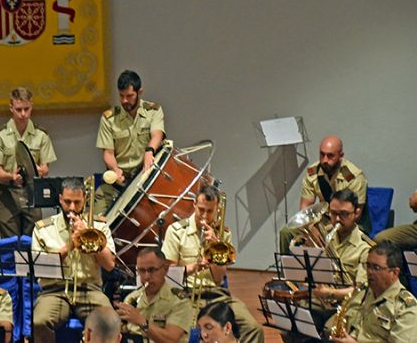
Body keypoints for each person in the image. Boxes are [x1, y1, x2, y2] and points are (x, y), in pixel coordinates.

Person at [161, 186, 264, 343]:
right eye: (201, 210)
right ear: (194, 205)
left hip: (216, 295)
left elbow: (218, 278)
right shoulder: (176, 231)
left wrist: (216, 247)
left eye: (210, 211)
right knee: (188, 335)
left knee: (253, 328)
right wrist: (194, 267)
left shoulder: (224, 235)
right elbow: (169, 275)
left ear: (217, 209)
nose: (204, 216)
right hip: (187, 295)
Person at [31, 177, 116, 343]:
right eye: (67, 202)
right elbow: (40, 269)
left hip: (89, 289)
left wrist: (88, 234)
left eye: (77, 202)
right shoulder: (43, 228)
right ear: (60, 199)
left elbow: (109, 265)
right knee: (39, 322)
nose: (72, 208)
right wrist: (70, 244)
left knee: (110, 321)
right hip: (54, 290)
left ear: (85, 199)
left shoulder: (99, 226)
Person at [0, 87, 57, 238]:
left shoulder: (41, 135)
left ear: (31, 105)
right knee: (9, 243)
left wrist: (38, 170)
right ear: (11, 107)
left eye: (26, 109)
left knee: (33, 241)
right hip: (8, 194)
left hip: (32, 192)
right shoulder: (0, 135)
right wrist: (11, 176)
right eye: (19, 109)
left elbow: (46, 168)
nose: (23, 114)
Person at [279, 136, 369, 254]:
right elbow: (305, 209)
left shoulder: (353, 176)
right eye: (322, 154)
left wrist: (324, 231)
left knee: (330, 239)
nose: (325, 160)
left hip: (347, 221)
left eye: (330, 156)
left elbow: (355, 216)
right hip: (325, 219)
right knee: (286, 232)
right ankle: (288, 271)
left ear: (341, 155)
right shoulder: (313, 173)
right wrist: (311, 228)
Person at [94, 70, 165, 215]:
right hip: (118, 182)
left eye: (130, 96)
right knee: (98, 220)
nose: (125, 100)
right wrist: (115, 169)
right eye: (121, 96)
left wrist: (149, 151)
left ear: (140, 92)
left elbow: (157, 135)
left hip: (145, 178)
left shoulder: (153, 111)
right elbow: (108, 153)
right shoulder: (109, 118)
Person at [325, 241, 417, 342]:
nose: (369, 272)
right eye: (368, 266)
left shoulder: (405, 307)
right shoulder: (361, 291)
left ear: (394, 273)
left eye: (376, 268)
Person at [115, 247, 192, 343]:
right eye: (142, 271)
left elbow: (171, 339)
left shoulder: (179, 301)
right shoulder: (131, 298)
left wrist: (142, 322)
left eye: (152, 270)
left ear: (165, 269)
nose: (146, 276)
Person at [312, 190, 375, 305]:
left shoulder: (365, 248)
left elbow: (361, 291)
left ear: (356, 213)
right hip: (322, 300)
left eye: (344, 214)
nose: (337, 219)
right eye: (333, 213)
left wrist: (330, 292)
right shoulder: (325, 237)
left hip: (347, 306)